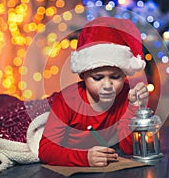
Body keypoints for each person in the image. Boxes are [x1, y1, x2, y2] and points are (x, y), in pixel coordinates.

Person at [39, 16, 150, 167]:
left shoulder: (127, 95)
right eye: (97, 78)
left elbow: (129, 149)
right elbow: (45, 150)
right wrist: (85, 158)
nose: (107, 85)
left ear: (125, 75)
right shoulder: (67, 99)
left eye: (115, 77)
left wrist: (133, 108)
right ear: (82, 75)